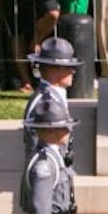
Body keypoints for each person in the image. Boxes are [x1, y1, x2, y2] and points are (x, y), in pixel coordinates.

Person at [24, 36, 80, 164]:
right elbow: (37, 149)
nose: (73, 71)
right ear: (53, 70)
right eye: (68, 67)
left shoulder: (53, 96)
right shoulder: (45, 103)